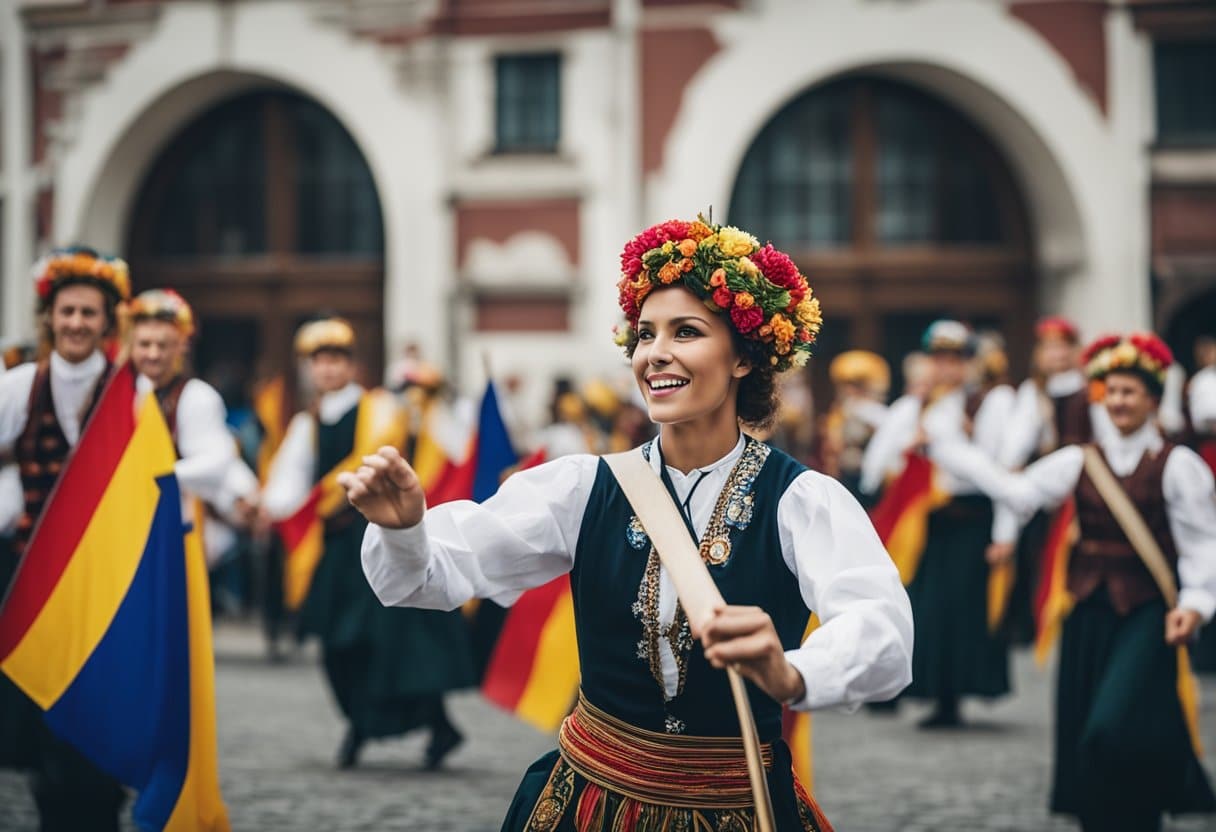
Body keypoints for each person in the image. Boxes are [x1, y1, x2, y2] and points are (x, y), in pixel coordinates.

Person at [345, 218, 913, 830]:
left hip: (736, 805)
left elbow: (881, 631)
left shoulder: (803, 500)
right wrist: (405, 529)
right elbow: (428, 576)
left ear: (745, 357)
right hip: (589, 801)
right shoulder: (581, 486)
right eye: (645, 334)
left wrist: (792, 672)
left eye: (686, 332)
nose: (655, 353)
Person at [975, 332, 1216, 832]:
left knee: (1114, 725)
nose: (1120, 402)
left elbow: (1202, 545)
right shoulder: (1077, 459)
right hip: (1087, 610)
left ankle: (1140, 813)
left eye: (1131, 392)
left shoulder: (1179, 465)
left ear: (1153, 399)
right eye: (1113, 392)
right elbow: (1020, 494)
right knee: (1089, 727)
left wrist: (1196, 603)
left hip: (1149, 612)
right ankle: (1115, 820)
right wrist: (957, 454)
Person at [261, 317, 472, 770]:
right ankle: (377, 722)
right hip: (336, 548)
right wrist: (270, 507)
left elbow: (437, 448)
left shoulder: (381, 410)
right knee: (336, 642)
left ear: (351, 365)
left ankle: (388, 728)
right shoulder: (308, 421)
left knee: (384, 642)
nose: (327, 369)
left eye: (336, 359)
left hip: (377, 536)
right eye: (319, 361)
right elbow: (288, 482)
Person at [0, 246, 130, 829]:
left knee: (103, 706)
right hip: (33, 576)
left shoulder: (133, 391)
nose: (76, 323)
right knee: (42, 703)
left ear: (107, 323)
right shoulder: (21, 386)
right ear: (49, 317)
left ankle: (100, 801)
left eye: (89, 313)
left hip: (108, 583)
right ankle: (54, 799)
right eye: (67, 311)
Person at [859, 319, 1016, 727]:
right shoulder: (919, 405)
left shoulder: (986, 403)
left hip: (972, 517)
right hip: (932, 523)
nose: (946, 368)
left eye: (955, 359)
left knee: (963, 610)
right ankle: (936, 694)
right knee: (931, 609)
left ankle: (956, 697)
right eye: (939, 358)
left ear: (968, 363)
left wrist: (1004, 533)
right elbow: (881, 466)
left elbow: (997, 470)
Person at [821, 350, 889, 500]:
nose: (848, 391)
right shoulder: (840, 411)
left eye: (854, 385)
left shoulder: (872, 412)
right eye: (845, 385)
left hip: (862, 478)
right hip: (841, 476)